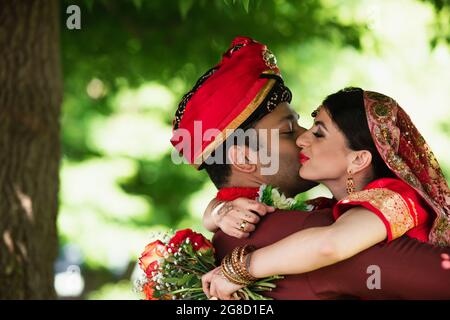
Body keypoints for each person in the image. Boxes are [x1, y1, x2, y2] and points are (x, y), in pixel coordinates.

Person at [171, 36, 450, 299]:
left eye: (316, 132)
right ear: (244, 159)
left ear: (359, 158)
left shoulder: (233, 235)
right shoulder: (304, 227)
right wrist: (219, 214)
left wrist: (227, 233)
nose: (303, 138)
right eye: (288, 130)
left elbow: (331, 244)